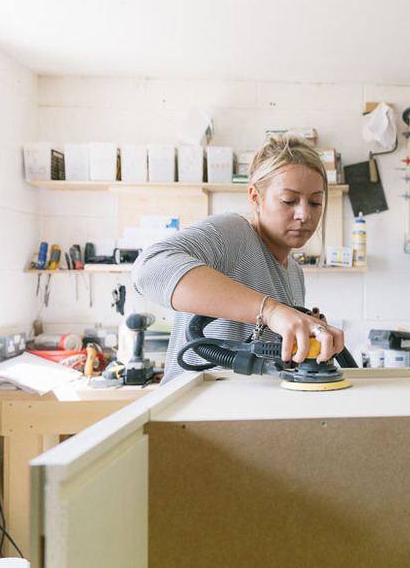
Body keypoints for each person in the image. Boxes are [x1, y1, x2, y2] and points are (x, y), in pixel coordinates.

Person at [132, 134, 345, 383]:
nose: (304, 214)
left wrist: (306, 334)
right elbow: (149, 270)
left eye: (315, 202)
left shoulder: (294, 273)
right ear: (255, 197)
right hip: (197, 411)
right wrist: (271, 311)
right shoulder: (234, 234)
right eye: (289, 201)